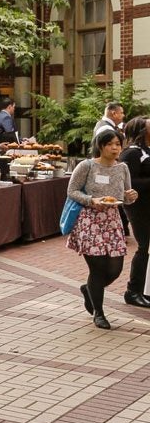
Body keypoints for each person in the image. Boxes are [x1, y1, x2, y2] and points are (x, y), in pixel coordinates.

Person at [66, 128, 137, 330]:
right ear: (101, 146)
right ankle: (99, 312)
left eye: (118, 144)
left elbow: (125, 197)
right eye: (111, 144)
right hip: (89, 221)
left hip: (113, 221)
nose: (115, 148)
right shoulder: (86, 166)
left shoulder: (122, 167)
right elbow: (72, 191)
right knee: (97, 268)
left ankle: (89, 289)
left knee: (115, 269)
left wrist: (131, 197)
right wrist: (91, 200)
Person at [120, 115, 150, 308]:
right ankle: (133, 291)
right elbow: (127, 183)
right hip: (139, 207)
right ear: (142, 130)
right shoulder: (131, 153)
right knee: (144, 246)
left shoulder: (147, 150)